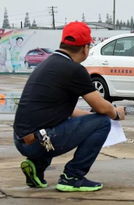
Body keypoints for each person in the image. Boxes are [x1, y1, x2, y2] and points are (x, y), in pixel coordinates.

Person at [13, 21, 126, 192]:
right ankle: (73, 176)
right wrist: (115, 113)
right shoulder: (74, 70)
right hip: (41, 141)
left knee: (64, 123)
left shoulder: (47, 64)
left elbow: (65, 111)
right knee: (103, 122)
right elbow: (102, 108)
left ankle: (36, 166)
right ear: (85, 48)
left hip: (22, 139)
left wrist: (89, 118)